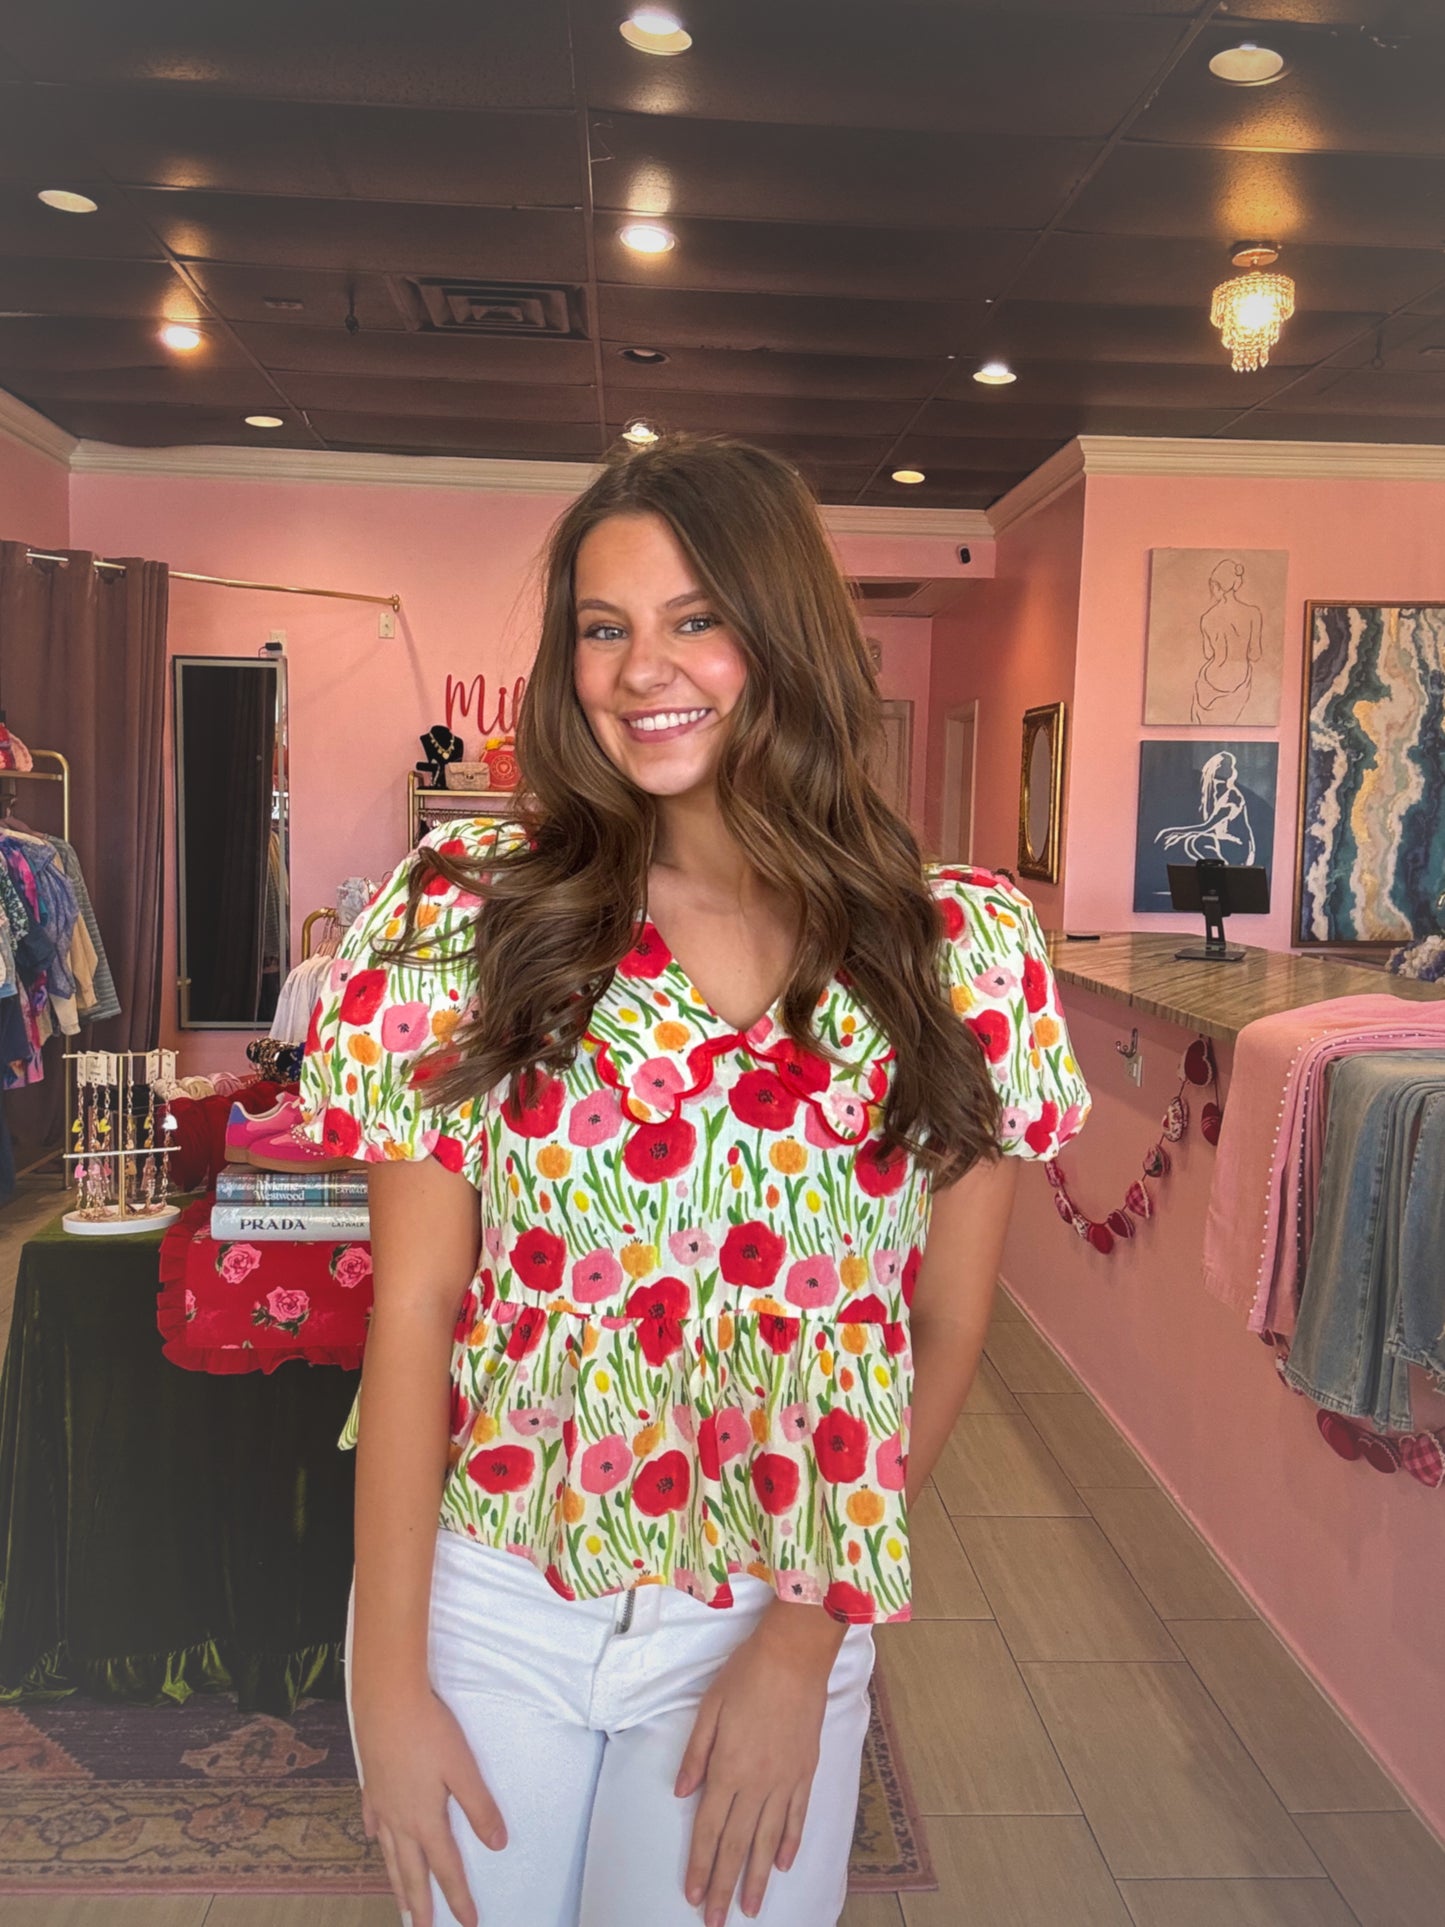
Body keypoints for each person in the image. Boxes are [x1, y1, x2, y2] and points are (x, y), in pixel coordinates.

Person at [299, 434, 1090, 1927]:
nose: (638, 669)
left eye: (693, 618)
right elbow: (412, 1313)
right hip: (493, 1601)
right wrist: (387, 1681)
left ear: (779, 633)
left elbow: (943, 1328)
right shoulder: (471, 916)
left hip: (776, 1605)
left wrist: (807, 1638)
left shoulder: (959, 954)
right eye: (603, 627)